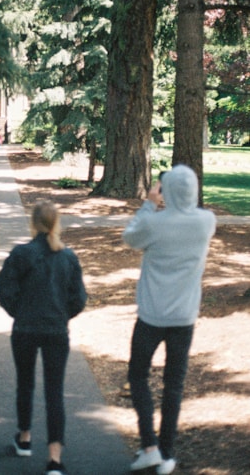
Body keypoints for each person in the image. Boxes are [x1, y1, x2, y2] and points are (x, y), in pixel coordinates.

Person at [123, 165, 216, 475]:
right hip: (184, 316)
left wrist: (150, 203)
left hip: (151, 314)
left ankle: (149, 446)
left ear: (167, 191)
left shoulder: (155, 224)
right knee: (173, 385)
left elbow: (131, 237)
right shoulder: (206, 222)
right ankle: (166, 452)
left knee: (138, 375)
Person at [0, 200, 87, 475]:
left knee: (25, 383)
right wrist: (61, 315)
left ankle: (24, 437)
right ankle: (54, 458)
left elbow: (6, 291)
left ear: (33, 223)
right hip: (55, 330)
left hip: (25, 328)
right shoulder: (68, 257)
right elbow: (79, 298)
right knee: (54, 391)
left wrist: (20, 313)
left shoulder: (21, 254)